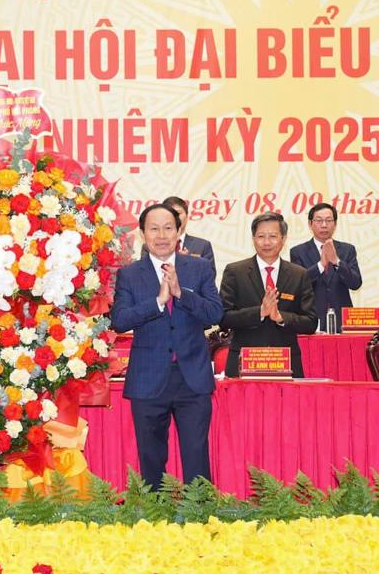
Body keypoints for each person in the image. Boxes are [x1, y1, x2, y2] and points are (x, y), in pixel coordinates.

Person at [111, 203, 224, 489]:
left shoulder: (198, 268)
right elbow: (120, 321)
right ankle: (156, 520)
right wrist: (159, 302)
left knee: (196, 456)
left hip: (192, 379)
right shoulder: (130, 274)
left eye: (168, 228)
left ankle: (199, 518)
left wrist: (180, 293)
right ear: (142, 234)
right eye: (154, 228)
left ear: (178, 231)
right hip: (148, 379)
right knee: (151, 458)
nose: (161, 235)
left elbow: (214, 314)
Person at [219, 212, 317, 377]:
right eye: (261, 236)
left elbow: (310, 322)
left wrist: (280, 317)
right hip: (244, 363)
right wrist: (260, 312)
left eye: (273, 236)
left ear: (283, 239)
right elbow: (222, 317)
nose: (266, 242)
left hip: (286, 364)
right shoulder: (235, 272)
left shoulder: (299, 274)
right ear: (253, 238)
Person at [288, 203, 362, 332]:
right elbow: (297, 285)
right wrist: (320, 265)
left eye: (328, 220)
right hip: (311, 318)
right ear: (310, 224)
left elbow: (355, 283)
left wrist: (337, 262)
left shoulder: (347, 249)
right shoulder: (298, 251)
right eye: (319, 220)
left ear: (335, 224)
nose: (324, 225)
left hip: (341, 320)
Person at [162, 196, 215, 261]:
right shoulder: (152, 246)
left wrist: (189, 262)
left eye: (178, 213)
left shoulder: (202, 246)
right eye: (170, 213)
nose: (174, 217)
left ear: (187, 217)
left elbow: (209, 271)